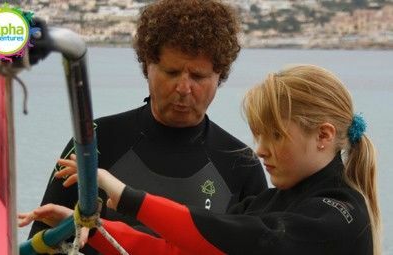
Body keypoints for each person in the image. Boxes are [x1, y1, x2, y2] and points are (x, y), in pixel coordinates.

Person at [20, 64, 381, 255]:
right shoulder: (273, 202)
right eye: (258, 135)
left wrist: (128, 196)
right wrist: (91, 228)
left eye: (275, 135)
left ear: (323, 135)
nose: (259, 149)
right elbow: (179, 249)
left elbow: (255, 241)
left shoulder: (339, 214)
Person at [29, 0, 268, 253]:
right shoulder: (94, 141)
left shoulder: (241, 164)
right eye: (172, 72)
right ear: (148, 66)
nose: (184, 88)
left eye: (198, 76)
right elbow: (41, 239)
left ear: (220, 76)